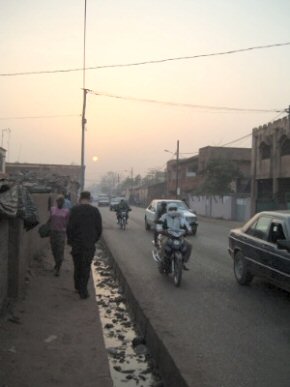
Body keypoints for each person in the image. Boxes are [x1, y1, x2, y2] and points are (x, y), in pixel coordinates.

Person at [67, 191, 102, 299]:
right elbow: (99, 229)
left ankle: (77, 286)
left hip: (77, 244)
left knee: (77, 266)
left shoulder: (74, 210)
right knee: (86, 267)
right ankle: (83, 290)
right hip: (88, 244)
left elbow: (69, 228)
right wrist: (93, 240)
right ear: (90, 198)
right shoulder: (95, 211)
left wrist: (71, 241)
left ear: (80, 198)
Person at [158, 202, 192, 271]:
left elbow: (186, 224)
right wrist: (161, 230)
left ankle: (183, 261)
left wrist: (189, 230)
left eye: (174, 209)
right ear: (168, 209)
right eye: (171, 209)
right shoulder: (164, 216)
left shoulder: (180, 216)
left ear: (177, 209)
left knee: (189, 245)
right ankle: (162, 260)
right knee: (164, 243)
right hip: (167, 235)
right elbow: (159, 224)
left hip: (178, 236)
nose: (173, 211)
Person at [49, 195, 70, 276]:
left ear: (63, 202)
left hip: (61, 233)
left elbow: (68, 223)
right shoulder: (52, 209)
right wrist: (46, 226)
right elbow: (50, 218)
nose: (59, 203)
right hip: (53, 232)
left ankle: (58, 268)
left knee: (60, 251)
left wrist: (68, 234)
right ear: (56, 202)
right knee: (54, 249)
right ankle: (56, 263)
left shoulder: (67, 211)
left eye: (61, 201)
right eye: (58, 201)